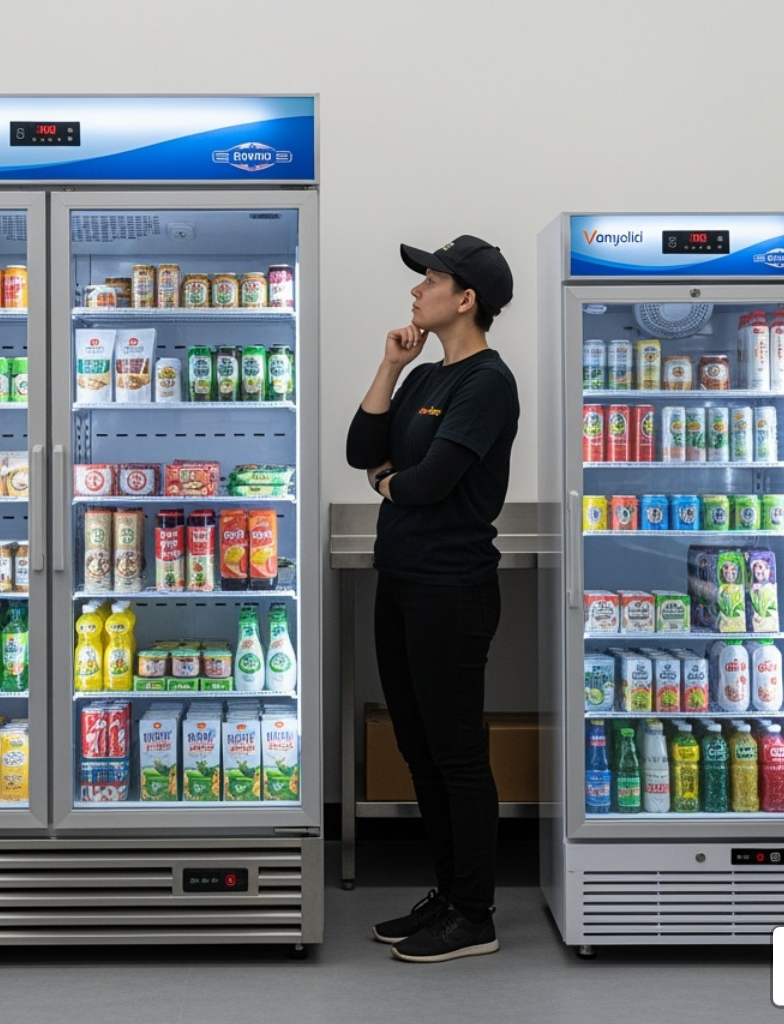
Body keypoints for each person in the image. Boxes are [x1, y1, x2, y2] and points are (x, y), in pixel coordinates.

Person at [346, 235, 519, 963]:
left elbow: (423, 484)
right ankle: (447, 895)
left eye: (431, 280)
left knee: (455, 756)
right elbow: (363, 448)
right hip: (403, 581)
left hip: (452, 589)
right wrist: (390, 363)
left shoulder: (487, 382)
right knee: (418, 750)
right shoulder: (422, 377)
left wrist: (390, 481)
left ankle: (474, 914)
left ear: (466, 298)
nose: (417, 292)